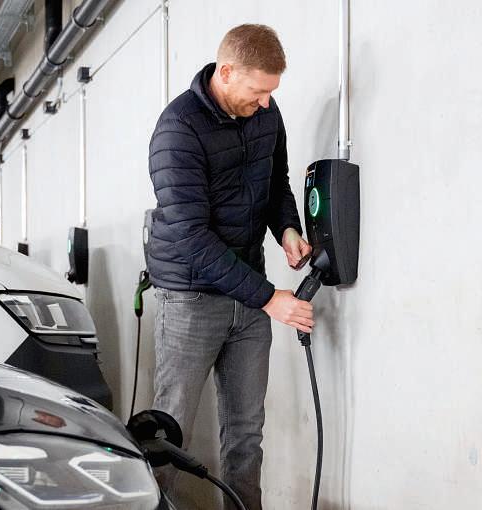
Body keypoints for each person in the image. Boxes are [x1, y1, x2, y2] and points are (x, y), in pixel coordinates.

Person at [146, 24, 314, 510]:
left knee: (246, 435)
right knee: (170, 430)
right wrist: (269, 298)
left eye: (271, 92)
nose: (266, 102)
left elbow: (275, 182)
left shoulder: (265, 113)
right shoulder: (177, 130)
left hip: (249, 294)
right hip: (190, 298)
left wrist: (287, 229)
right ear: (226, 73)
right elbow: (192, 238)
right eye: (258, 91)